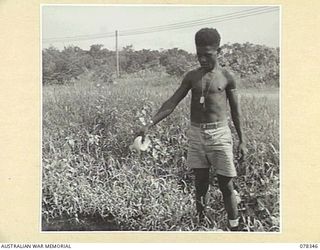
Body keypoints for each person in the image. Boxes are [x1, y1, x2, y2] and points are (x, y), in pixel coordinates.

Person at [137, 28, 247, 231]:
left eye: (208, 54)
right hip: (196, 135)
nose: (203, 59)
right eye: (199, 55)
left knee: (226, 185)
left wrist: (243, 141)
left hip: (220, 135)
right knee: (200, 184)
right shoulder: (191, 77)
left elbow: (236, 112)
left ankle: (235, 229)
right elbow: (171, 103)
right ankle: (200, 225)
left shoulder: (227, 77)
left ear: (219, 51)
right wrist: (149, 124)